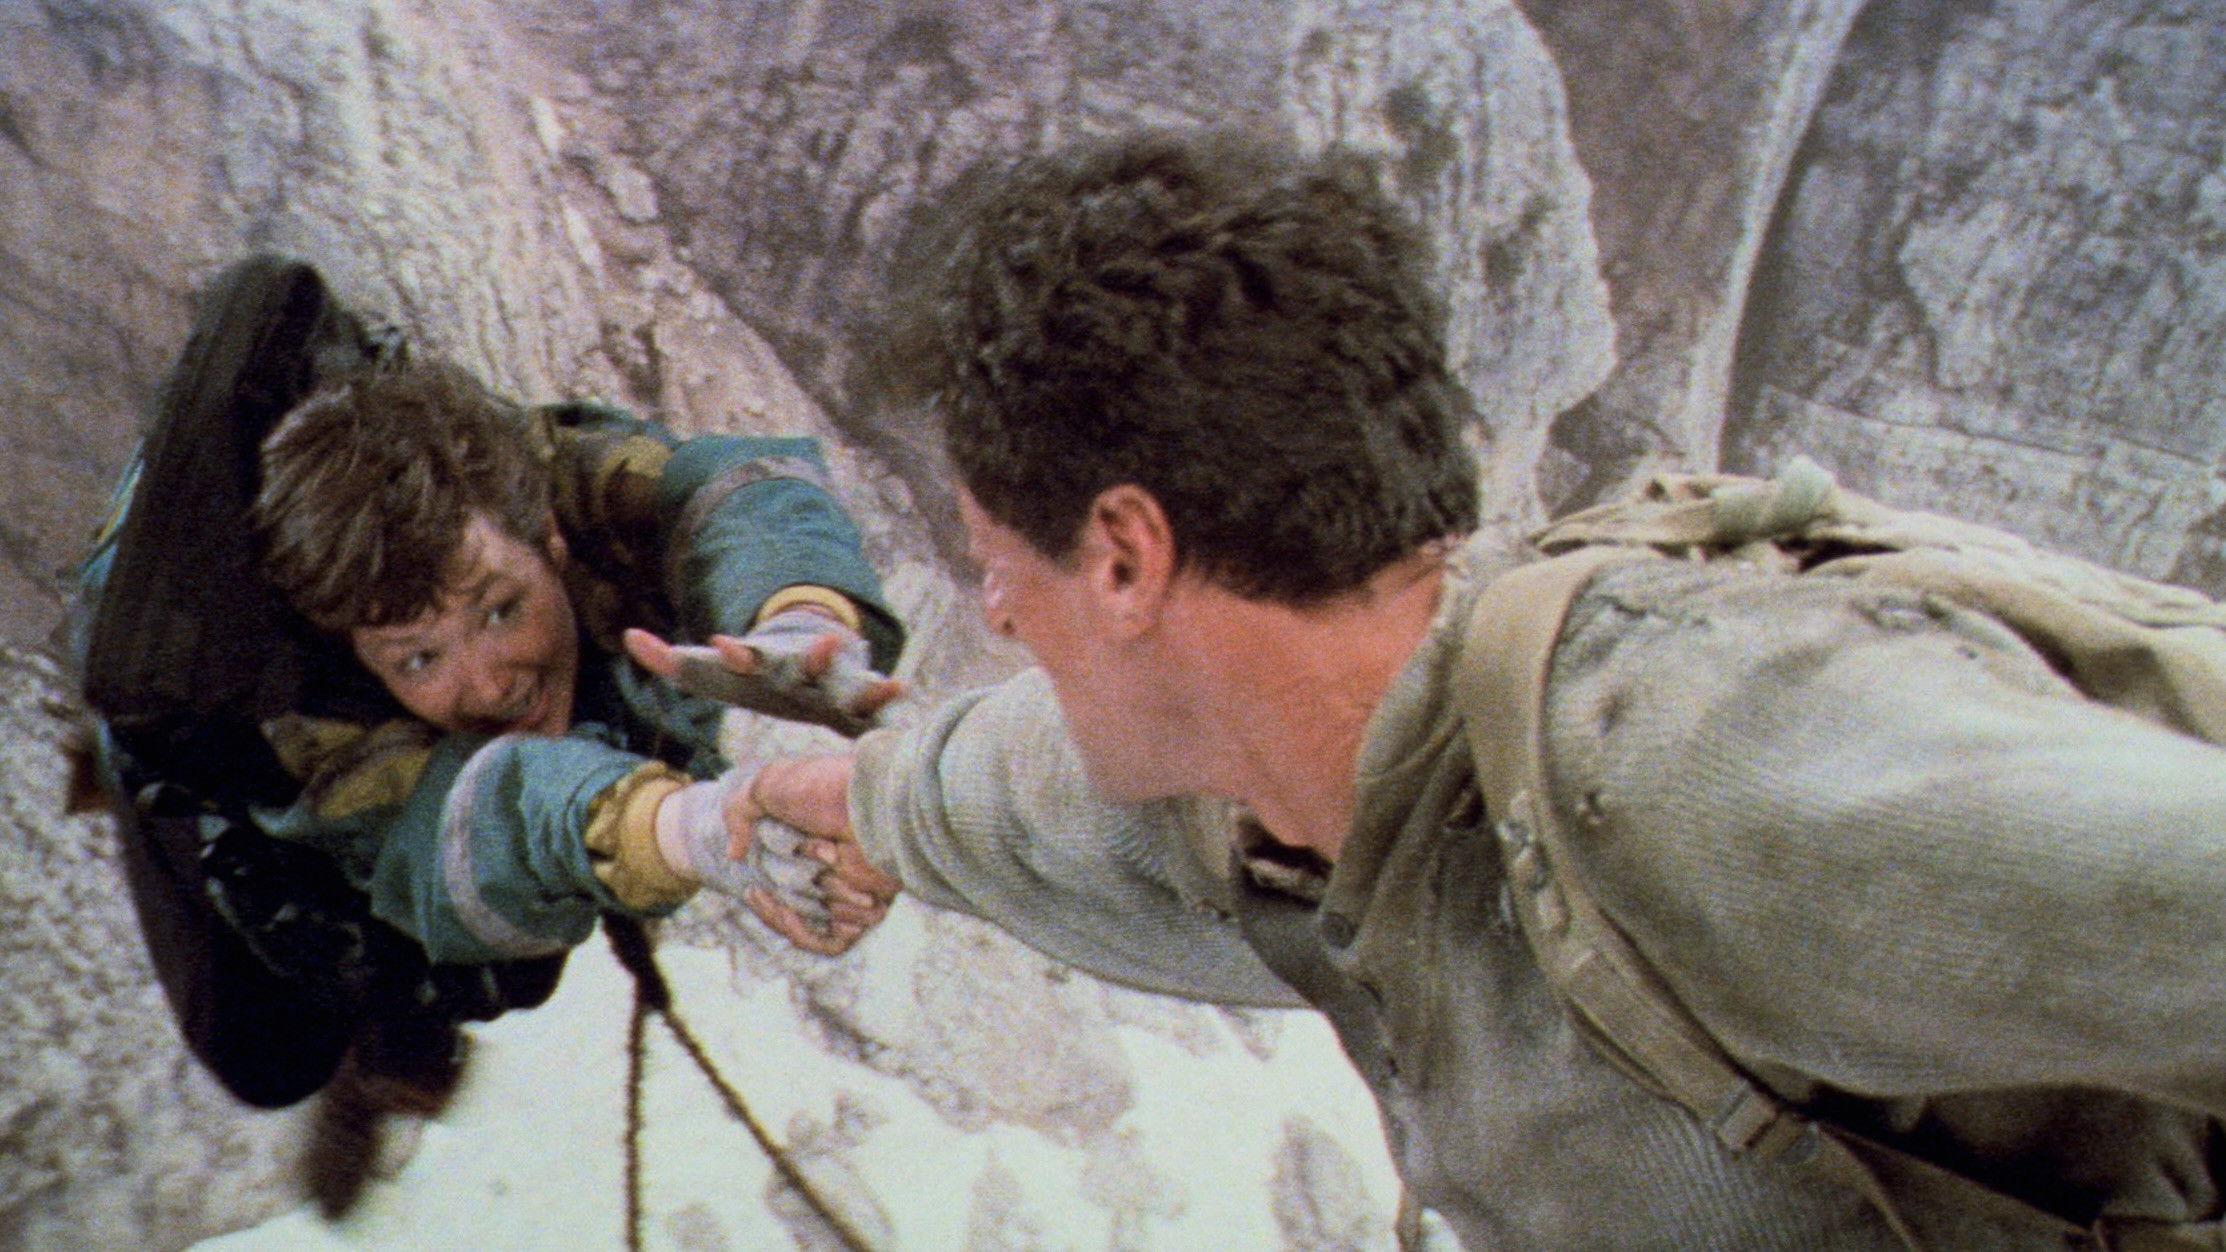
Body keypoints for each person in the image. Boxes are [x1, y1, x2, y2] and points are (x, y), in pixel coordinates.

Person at [644, 128, 2226, 1248]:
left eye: (1002, 561)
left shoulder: (1704, 772)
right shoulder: (1280, 780)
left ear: (1122, 557)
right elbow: (1017, 790)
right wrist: (856, 798)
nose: (993, 609)